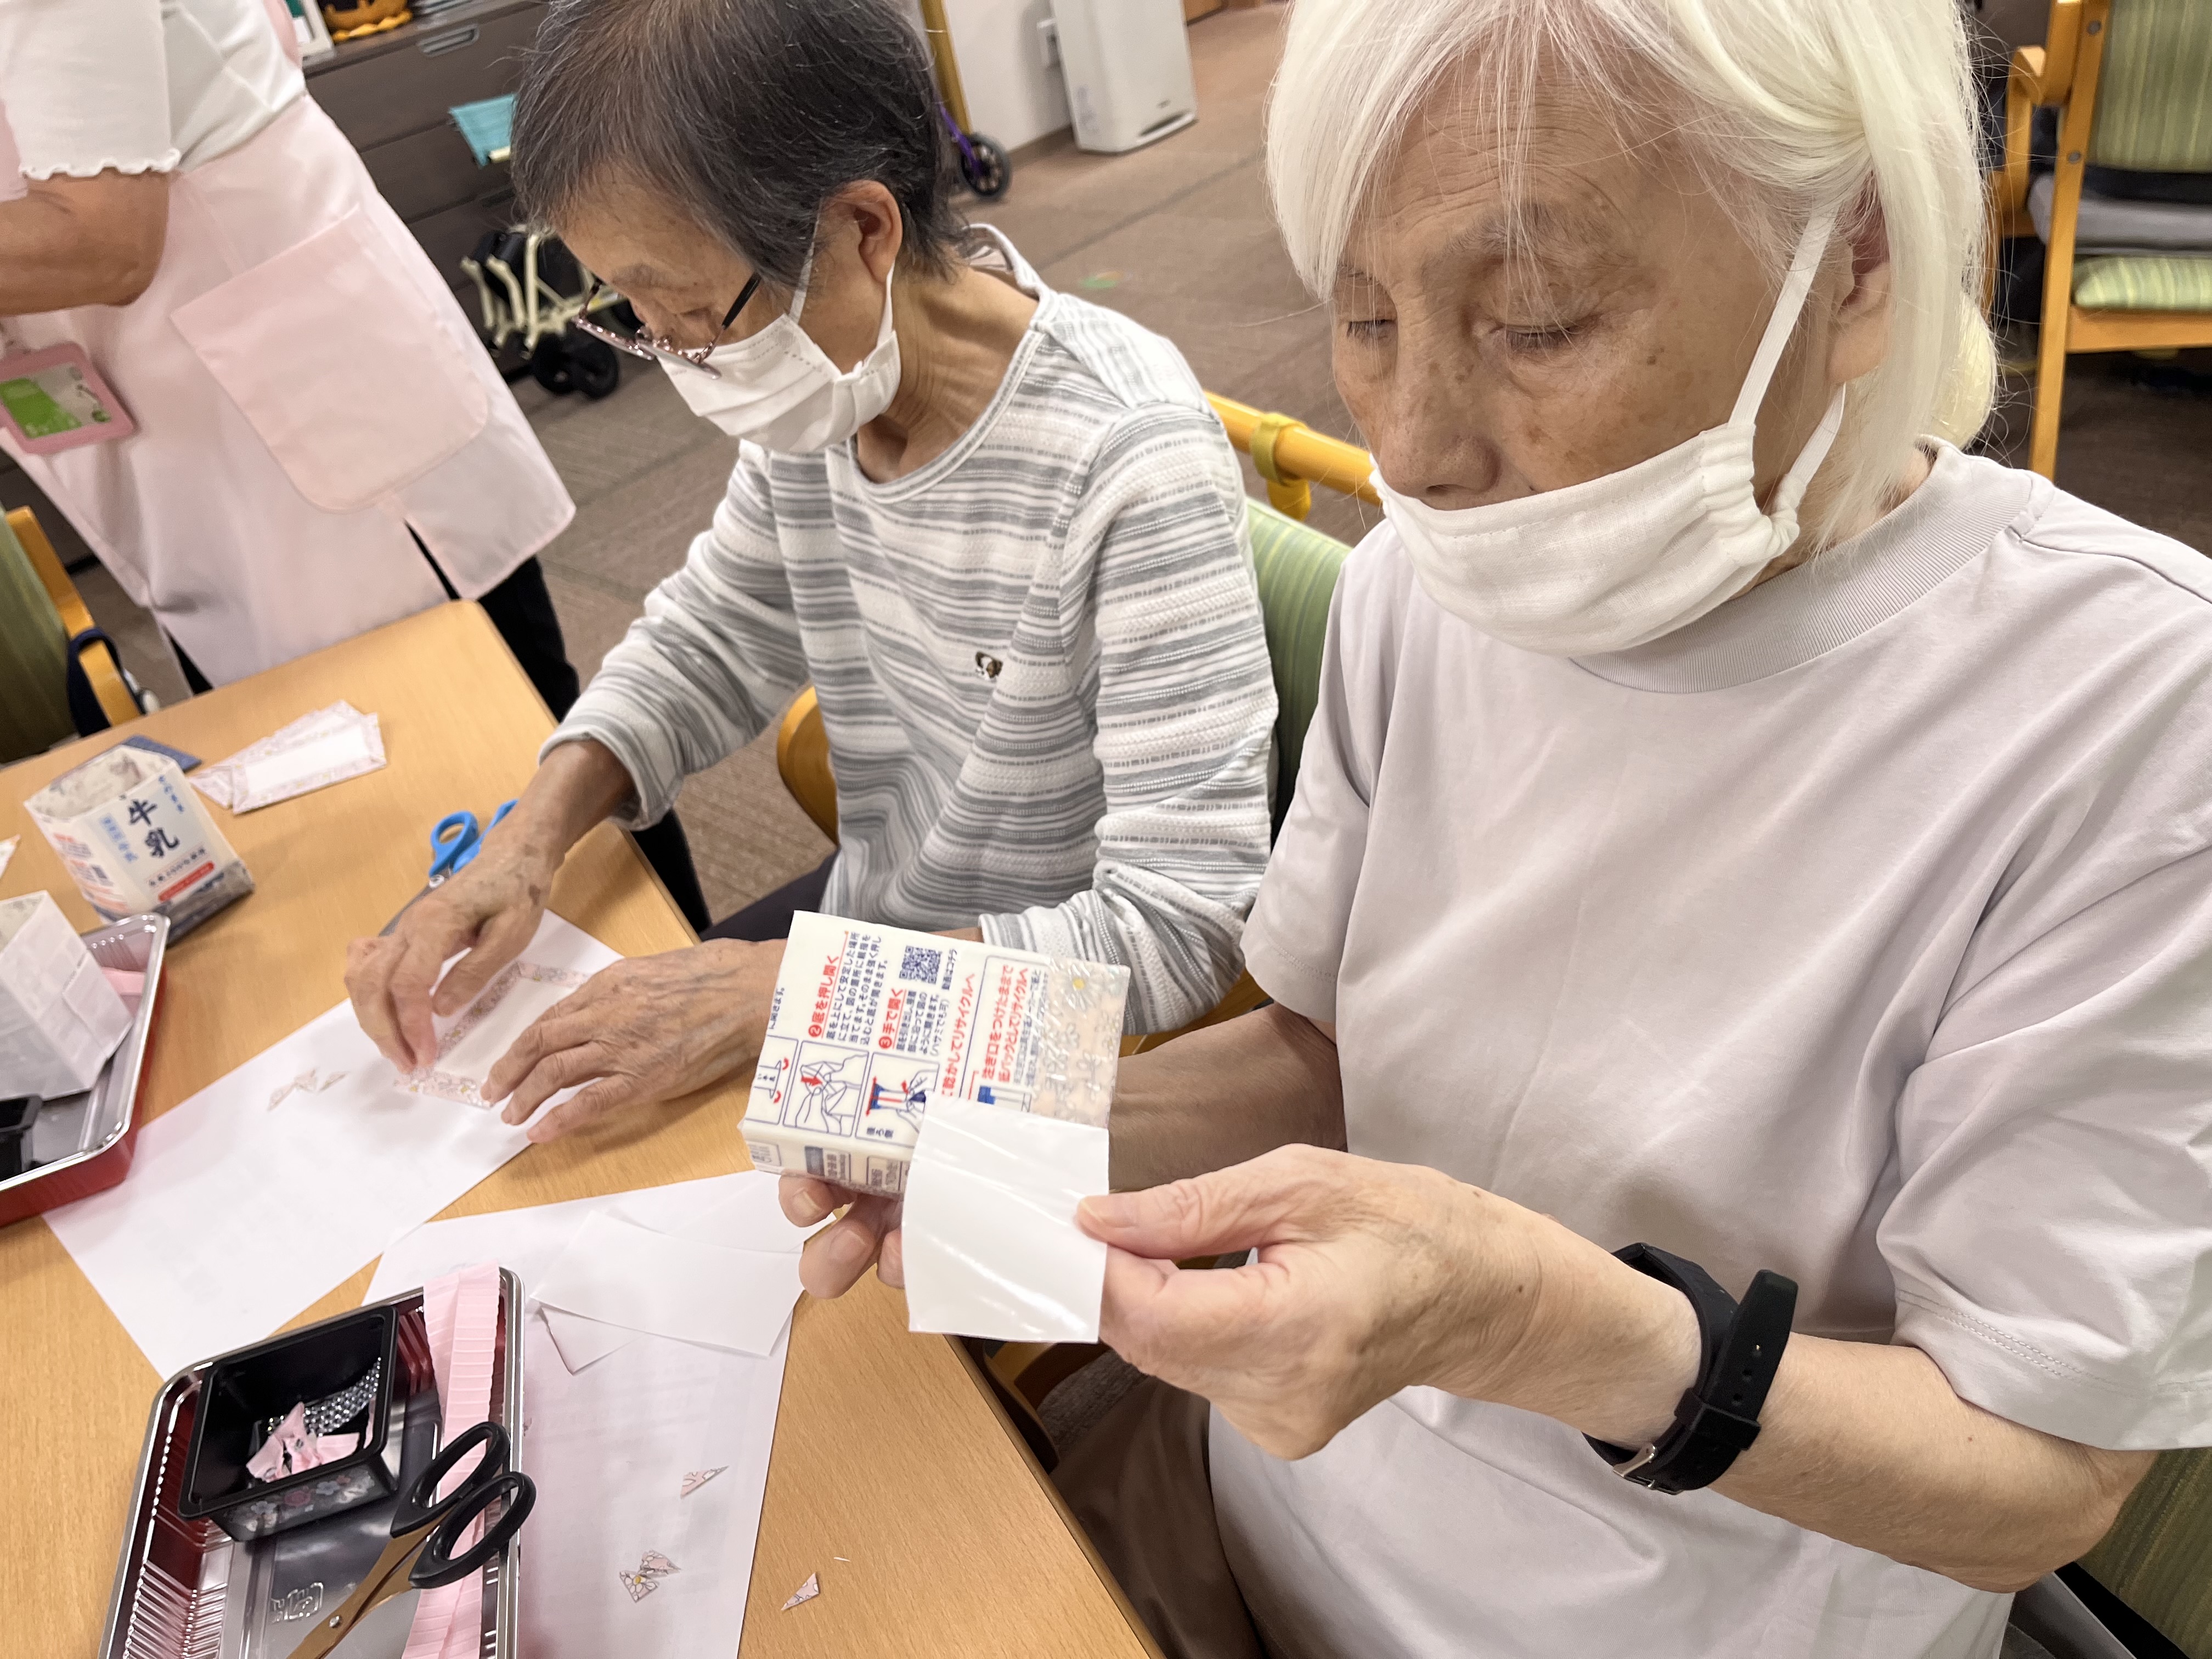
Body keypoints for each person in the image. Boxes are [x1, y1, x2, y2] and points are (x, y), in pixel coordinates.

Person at [781, 2, 2212, 1655]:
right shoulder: (1418, 589)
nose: (1414, 451)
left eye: (1537, 321)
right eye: (1363, 318)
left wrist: (1539, 1325)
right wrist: (1003, 1114)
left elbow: (2039, 1481)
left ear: (1857, 259)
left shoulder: (2125, 722)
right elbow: (1329, 1054)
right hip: (1263, 1501)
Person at [343, 0, 1276, 1141]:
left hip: (1039, 1036)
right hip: (866, 954)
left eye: (694, 311)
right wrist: (525, 843)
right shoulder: (832, 392)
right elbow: (710, 638)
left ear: (863, 230)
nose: (679, 356)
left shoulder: (1126, 462)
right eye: (635, 312)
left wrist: (794, 993)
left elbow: (1179, 929)